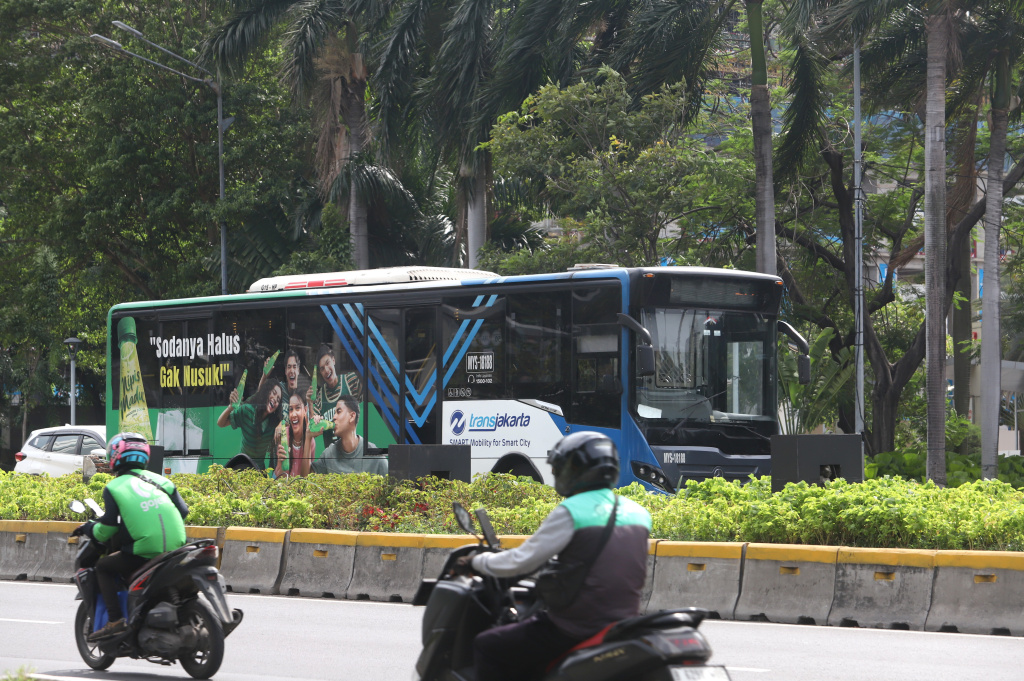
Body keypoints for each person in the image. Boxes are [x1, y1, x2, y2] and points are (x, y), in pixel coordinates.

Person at [458, 431, 651, 681]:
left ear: (576, 470)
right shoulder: (638, 512)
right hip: (623, 623)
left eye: (560, 467)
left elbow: (521, 561)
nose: (556, 474)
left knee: (488, 645)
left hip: (576, 626)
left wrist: (475, 561)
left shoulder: (571, 511)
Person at [75, 433, 189, 641]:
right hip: (176, 548)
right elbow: (183, 511)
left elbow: (107, 528)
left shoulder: (114, 487)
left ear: (115, 457)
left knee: (104, 567)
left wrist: (89, 528)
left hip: (144, 552)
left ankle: (116, 620)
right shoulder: (162, 481)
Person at [217, 377, 283, 470]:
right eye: (274, 393)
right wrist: (229, 408)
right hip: (242, 468)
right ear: (266, 391)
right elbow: (221, 423)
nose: (275, 399)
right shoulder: (247, 410)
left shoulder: (273, 423)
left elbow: (287, 422)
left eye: (278, 399)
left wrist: (281, 424)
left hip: (260, 473)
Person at [310, 395, 386, 475]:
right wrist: (308, 437)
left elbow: (393, 484)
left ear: (352, 416)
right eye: (334, 413)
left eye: (339, 412)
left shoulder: (375, 456)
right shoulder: (329, 454)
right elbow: (306, 477)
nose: (334, 417)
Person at [311, 345, 360, 447]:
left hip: (353, 451)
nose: (326, 370)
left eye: (327, 363)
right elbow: (313, 430)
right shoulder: (320, 396)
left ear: (333, 360)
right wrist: (310, 403)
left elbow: (368, 409)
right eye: (322, 369)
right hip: (332, 458)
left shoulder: (350, 381)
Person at [274, 389, 316, 478]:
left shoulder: (310, 441)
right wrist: (282, 462)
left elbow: (306, 476)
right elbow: (280, 478)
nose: (293, 414)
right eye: (290, 409)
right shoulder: (284, 435)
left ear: (305, 410)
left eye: (297, 408)